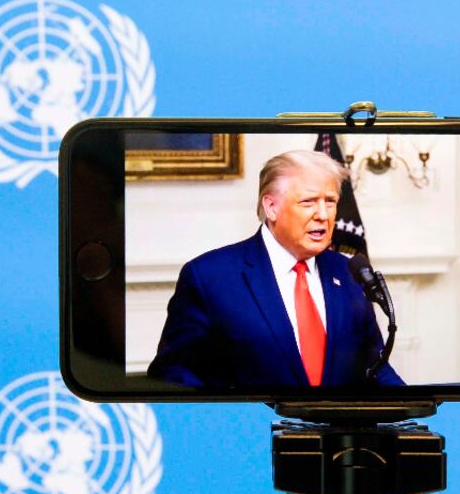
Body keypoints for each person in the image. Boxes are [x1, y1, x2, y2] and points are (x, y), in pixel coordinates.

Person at [148, 150, 403, 389]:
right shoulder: (210, 277)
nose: (323, 215)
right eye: (308, 202)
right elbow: (174, 374)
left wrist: (414, 411)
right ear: (271, 207)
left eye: (330, 201)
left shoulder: (348, 272)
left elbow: (374, 366)